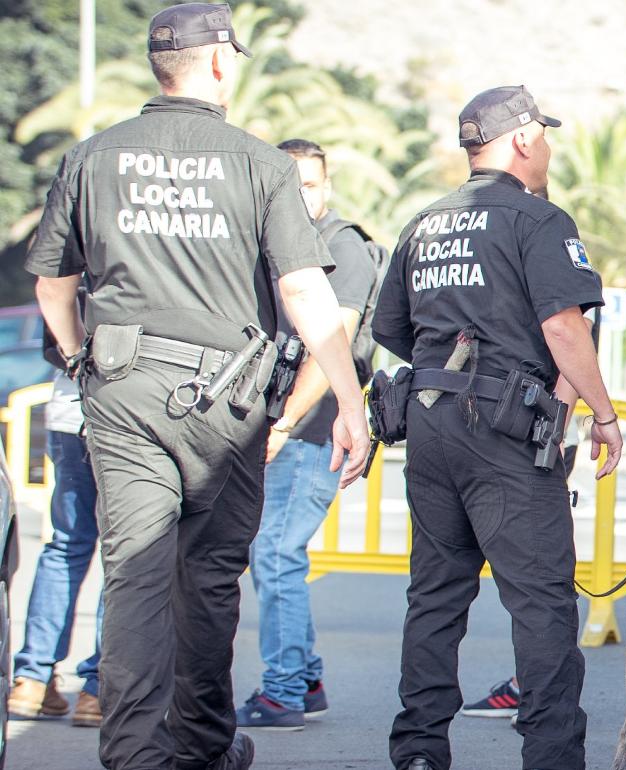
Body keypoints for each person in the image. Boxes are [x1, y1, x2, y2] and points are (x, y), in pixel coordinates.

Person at [24, 4, 371, 769]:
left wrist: (84, 360)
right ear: (219, 63)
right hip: (226, 399)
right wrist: (350, 401)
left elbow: (53, 288)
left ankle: (135, 756)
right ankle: (203, 747)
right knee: (210, 579)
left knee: (136, 574)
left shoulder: (94, 156)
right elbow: (306, 291)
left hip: (120, 389)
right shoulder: (260, 163)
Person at [374, 84, 623, 770]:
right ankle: (551, 758)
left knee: (435, 596)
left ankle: (420, 752)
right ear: (519, 138)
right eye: (542, 134)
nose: (545, 147)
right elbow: (563, 325)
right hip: (507, 432)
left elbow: (392, 328)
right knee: (541, 604)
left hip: (427, 426)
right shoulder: (536, 220)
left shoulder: (424, 221)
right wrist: (604, 415)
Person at [234, 138, 377, 731]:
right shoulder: (273, 242)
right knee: (273, 554)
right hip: (277, 427)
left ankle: (285, 691)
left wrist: (287, 420)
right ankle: (306, 676)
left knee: (276, 554)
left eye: (311, 184)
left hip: (310, 429)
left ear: (327, 184)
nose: (300, 195)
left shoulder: (344, 246)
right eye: (289, 184)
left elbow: (330, 342)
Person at [9, 362, 103, 728]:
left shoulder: (78, 299)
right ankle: (96, 690)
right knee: (125, 554)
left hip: (70, 408)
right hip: (128, 415)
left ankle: (31, 680)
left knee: (66, 546)